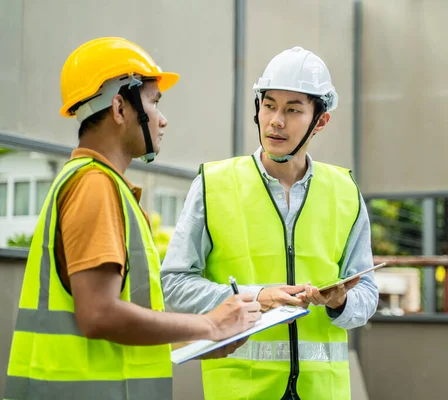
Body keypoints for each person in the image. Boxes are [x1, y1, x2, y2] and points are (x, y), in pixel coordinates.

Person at [3, 37, 260, 400]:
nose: (163, 118)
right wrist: (209, 322)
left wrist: (201, 337)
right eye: (154, 102)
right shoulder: (94, 185)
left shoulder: (99, 184)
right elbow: (99, 314)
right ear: (120, 107)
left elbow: (117, 331)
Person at [161, 46, 379, 400]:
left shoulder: (345, 191)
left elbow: (367, 293)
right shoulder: (213, 184)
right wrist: (258, 296)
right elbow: (175, 283)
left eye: (293, 110)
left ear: (320, 121)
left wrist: (340, 303)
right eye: (269, 105)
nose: (276, 120)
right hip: (240, 391)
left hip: (322, 392)